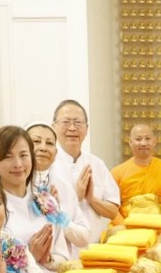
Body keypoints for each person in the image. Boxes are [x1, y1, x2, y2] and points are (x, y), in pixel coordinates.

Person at [0, 125, 61, 273]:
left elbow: (63, 256)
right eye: (8, 157)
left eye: (23, 155)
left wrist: (47, 259)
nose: (18, 164)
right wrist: (29, 257)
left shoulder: (45, 201)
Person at [49, 99, 121, 232]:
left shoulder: (96, 164)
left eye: (78, 123)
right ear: (53, 126)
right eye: (66, 122)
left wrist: (92, 199)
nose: (72, 128)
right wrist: (75, 197)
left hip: (94, 247)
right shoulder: (47, 165)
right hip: (62, 248)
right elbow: (43, 214)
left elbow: (113, 212)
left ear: (87, 129)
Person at [27, 121, 91, 262]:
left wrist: (58, 216)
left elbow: (84, 237)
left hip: (59, 270)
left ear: (55, 154)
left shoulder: (65, 188)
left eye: (49, 143)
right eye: (36, 141)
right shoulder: (16, 186)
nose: (43, 148)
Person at [112, 123, 161, 220]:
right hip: (127, 226)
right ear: (130, 142)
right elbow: (112, 209)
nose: (143, 143)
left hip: (160, 225)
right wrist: (124, 226)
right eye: (138, 139)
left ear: (154, 141)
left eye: (148, 139)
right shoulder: (117, 172)